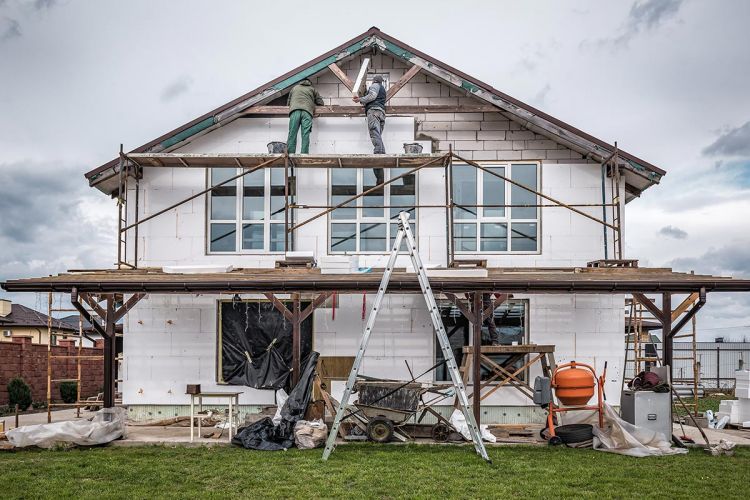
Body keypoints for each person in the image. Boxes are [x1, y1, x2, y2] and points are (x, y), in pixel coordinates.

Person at [286, 79, 324, 154]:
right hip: (307, 112)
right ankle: (304, 153)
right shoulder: (312, 89)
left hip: (295, 111)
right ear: (310, 83)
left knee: (292, 133)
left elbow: (288, 102)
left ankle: (290, 153)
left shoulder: (294, 88)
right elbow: (320, 103)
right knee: (305, 134)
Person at [353, 75, 386, 154]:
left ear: (374, 81)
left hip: (374, 111)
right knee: (377, 135)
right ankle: (381, 152)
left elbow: (372, 96)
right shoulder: (383, 89)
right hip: (381, 113)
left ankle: (378, 153)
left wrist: (360, 99)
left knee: (374, 132)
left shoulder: (375, 85)